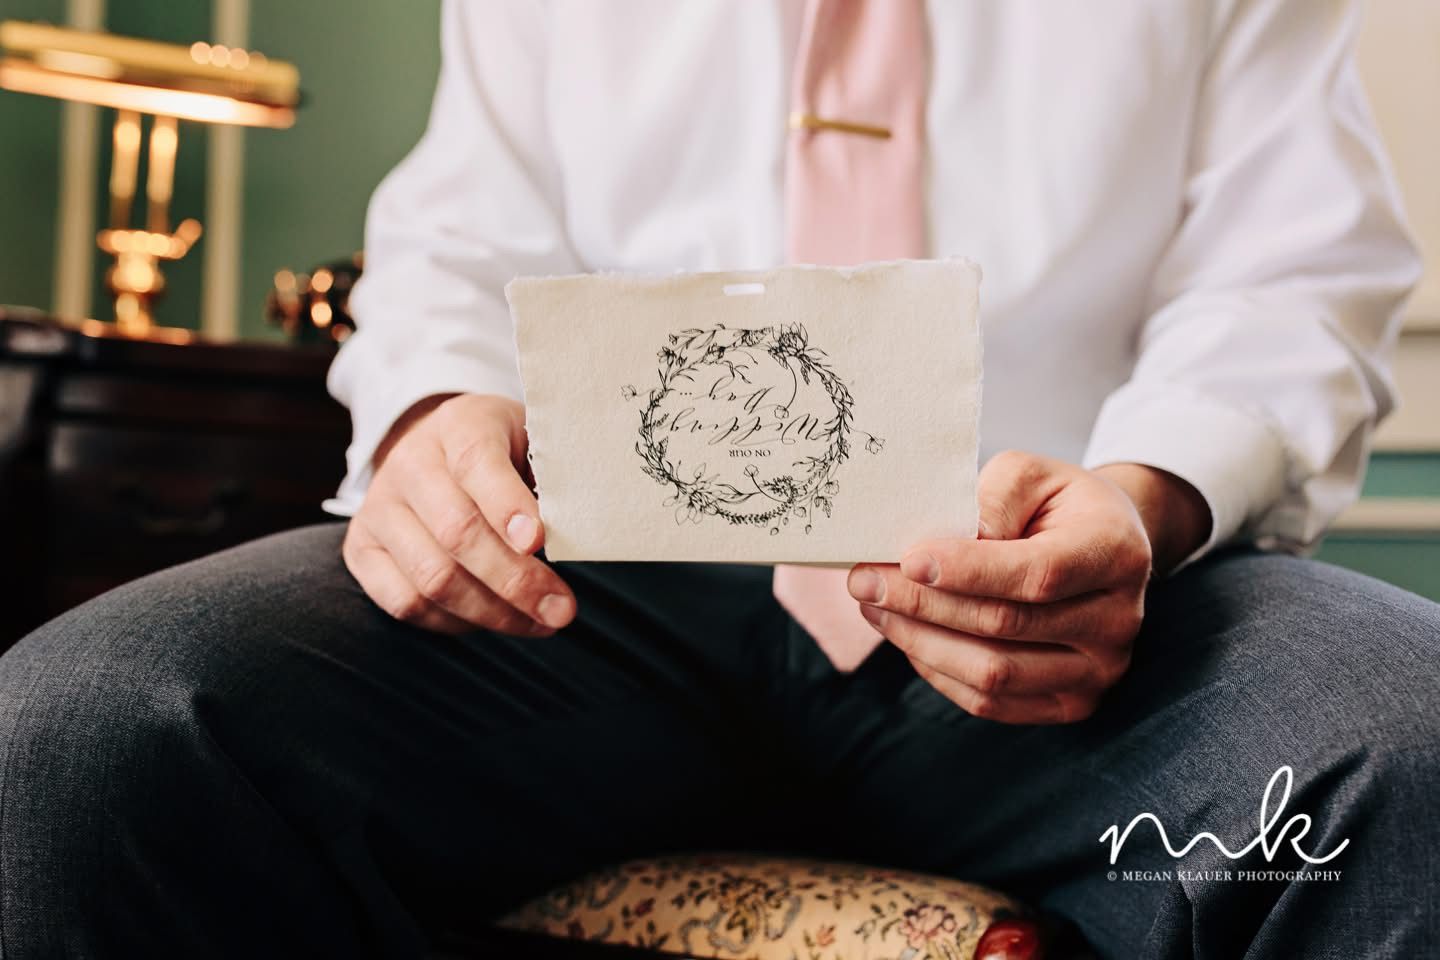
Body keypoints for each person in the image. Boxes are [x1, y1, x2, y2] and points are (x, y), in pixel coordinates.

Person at [2, 1, 1438, 956]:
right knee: (81, 732)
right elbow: (463, 232)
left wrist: (1138, 499)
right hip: (581, 606)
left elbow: (1290, 272)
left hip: (1069, 610)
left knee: (1411, 742)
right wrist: (435, 414)